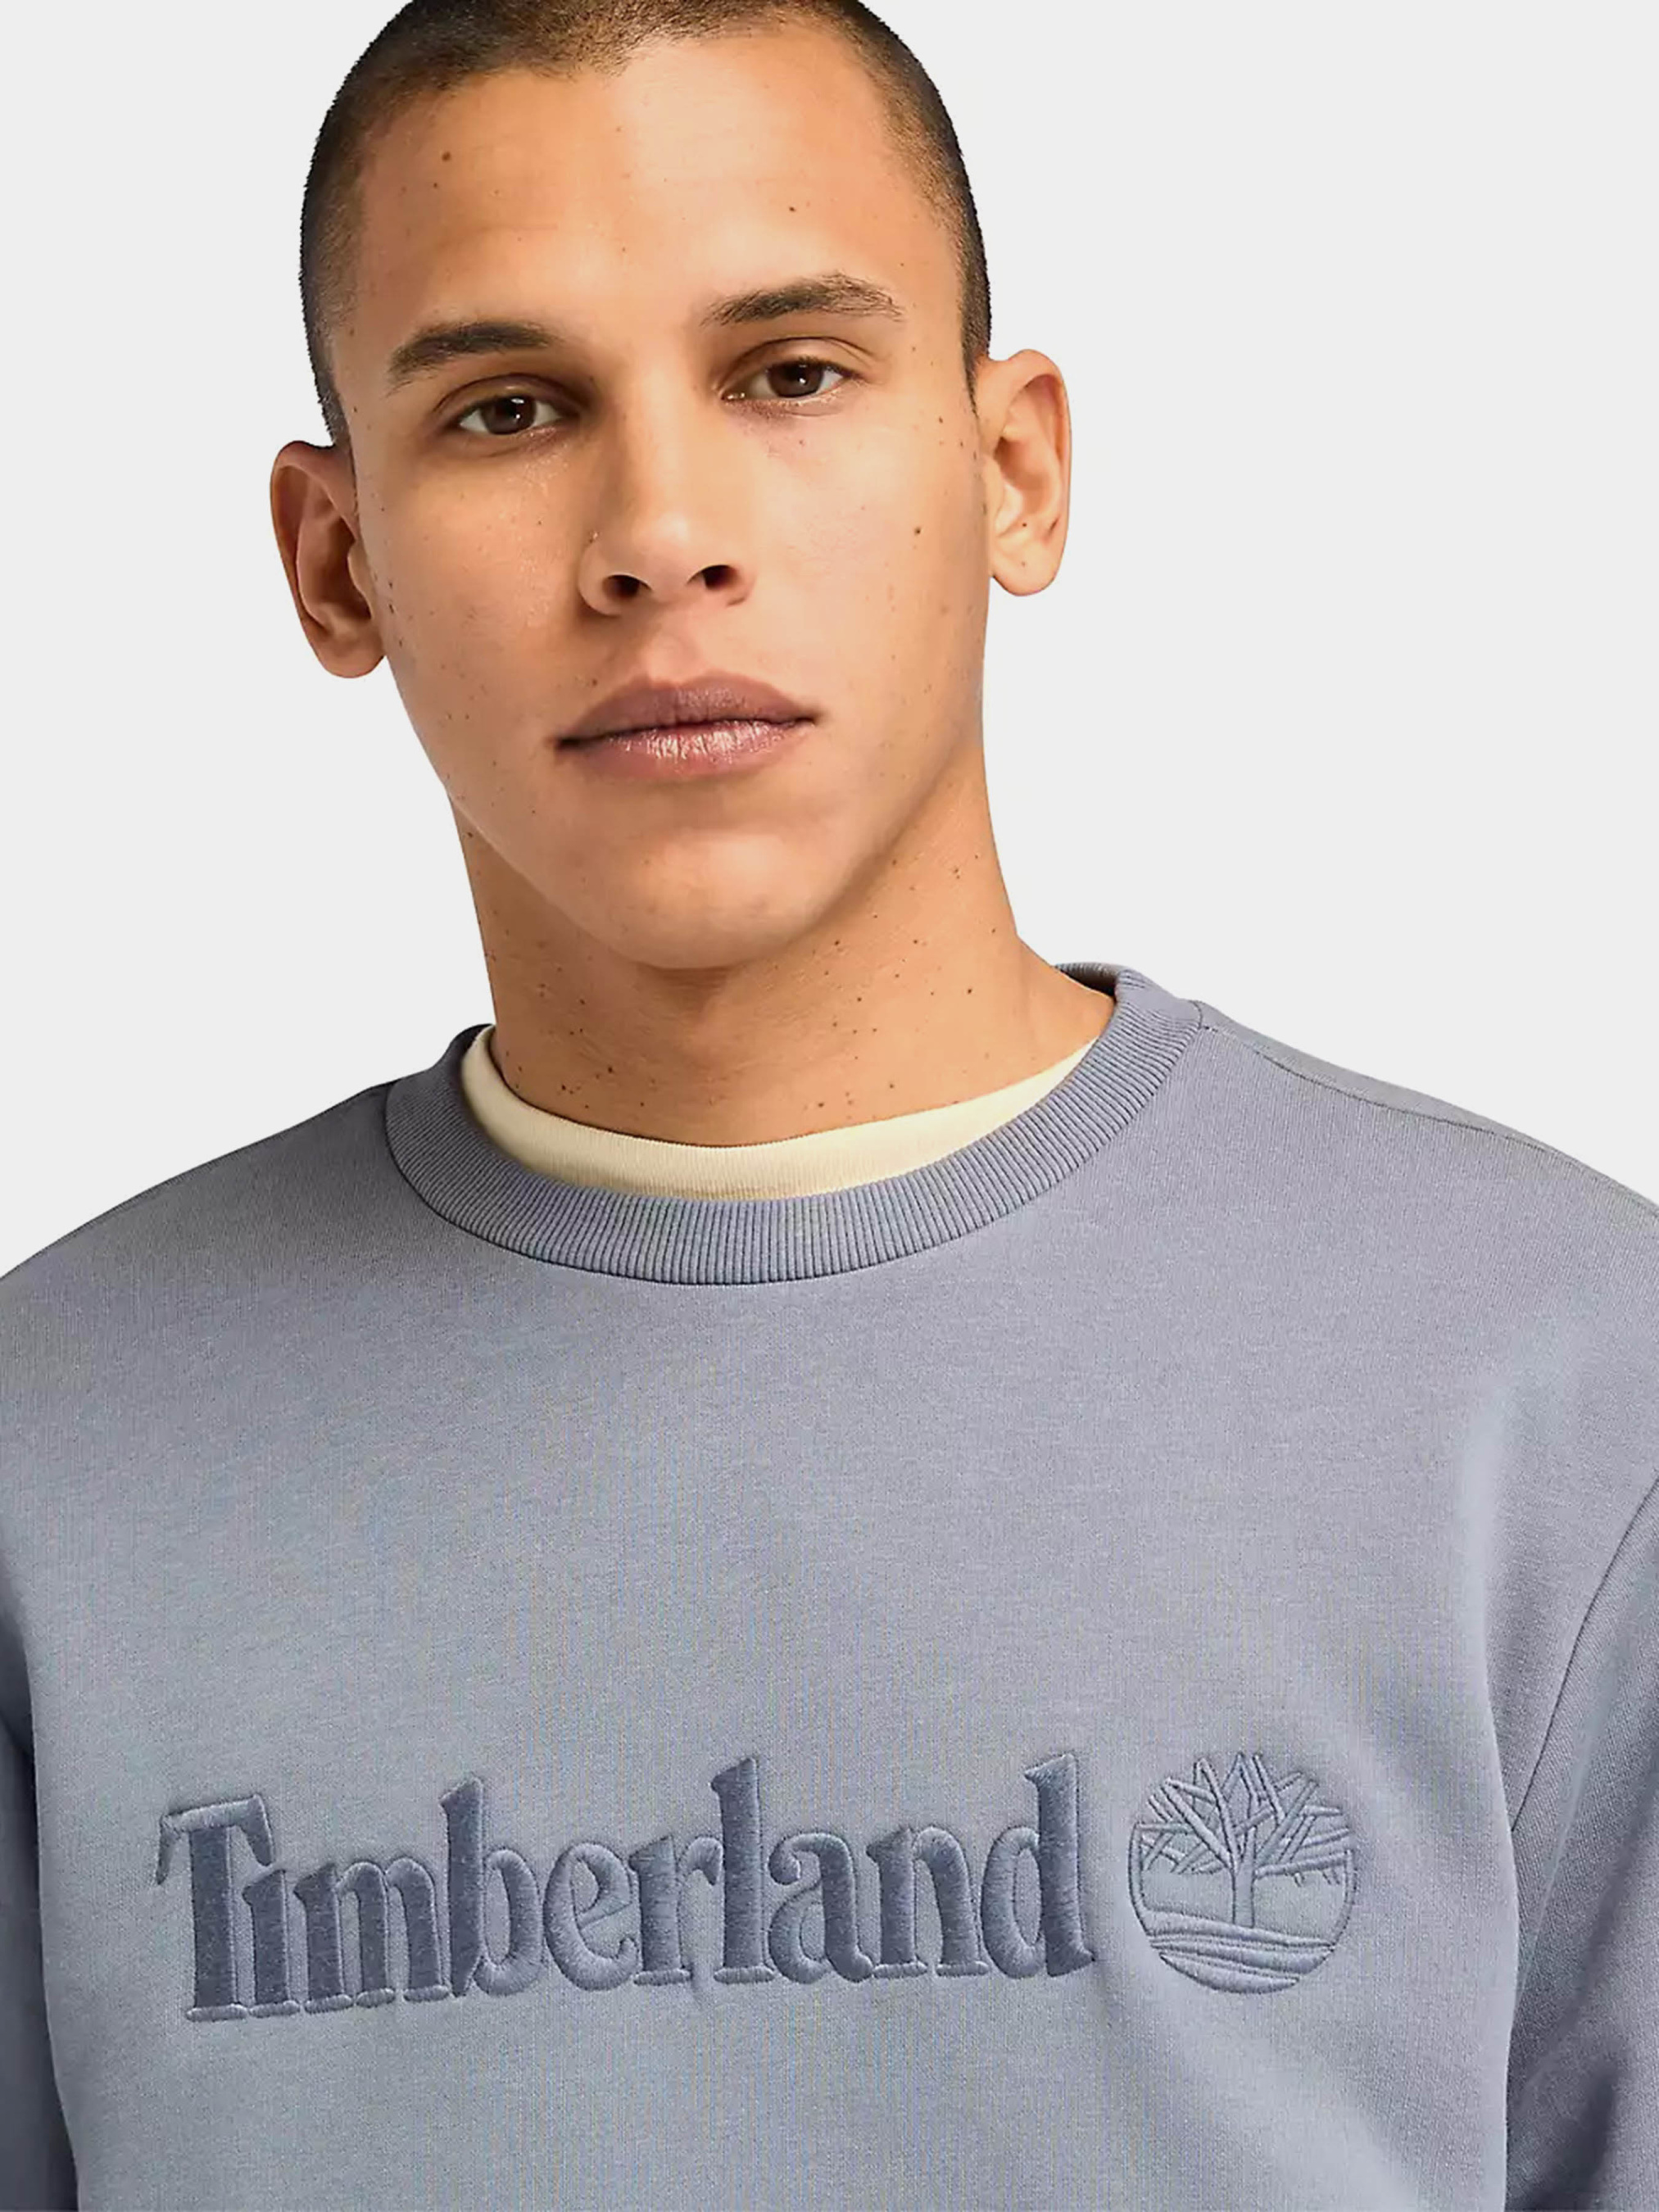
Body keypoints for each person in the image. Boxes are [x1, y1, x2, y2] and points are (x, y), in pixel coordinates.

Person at [1, 2, 1653, 2206]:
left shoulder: (1561, 1390)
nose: (660, 534)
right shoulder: (52, 1456)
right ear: (335, 559)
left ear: (1013, 468)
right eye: (509, 409)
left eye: (788, 373)